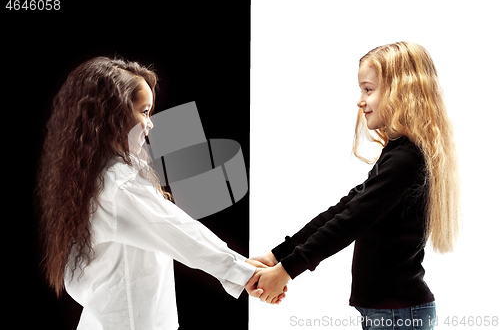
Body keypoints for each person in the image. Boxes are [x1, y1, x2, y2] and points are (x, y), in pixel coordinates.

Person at [37, 56, 277, 330]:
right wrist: (245, 272)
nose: (150, 124)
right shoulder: (118, 184)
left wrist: (242, 266)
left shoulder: (95, 177)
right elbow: (181, 232)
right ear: (112, 114)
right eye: (144, 111)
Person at [249, 42, 461, 329]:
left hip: (399, 316)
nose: (360, 101)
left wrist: (286, 271)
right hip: (391, 313)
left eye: (368, 89)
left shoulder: (406, 160)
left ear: (401, 92)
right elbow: (344, 209)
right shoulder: (398, 155)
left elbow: (349, 223)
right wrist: (278, 255)